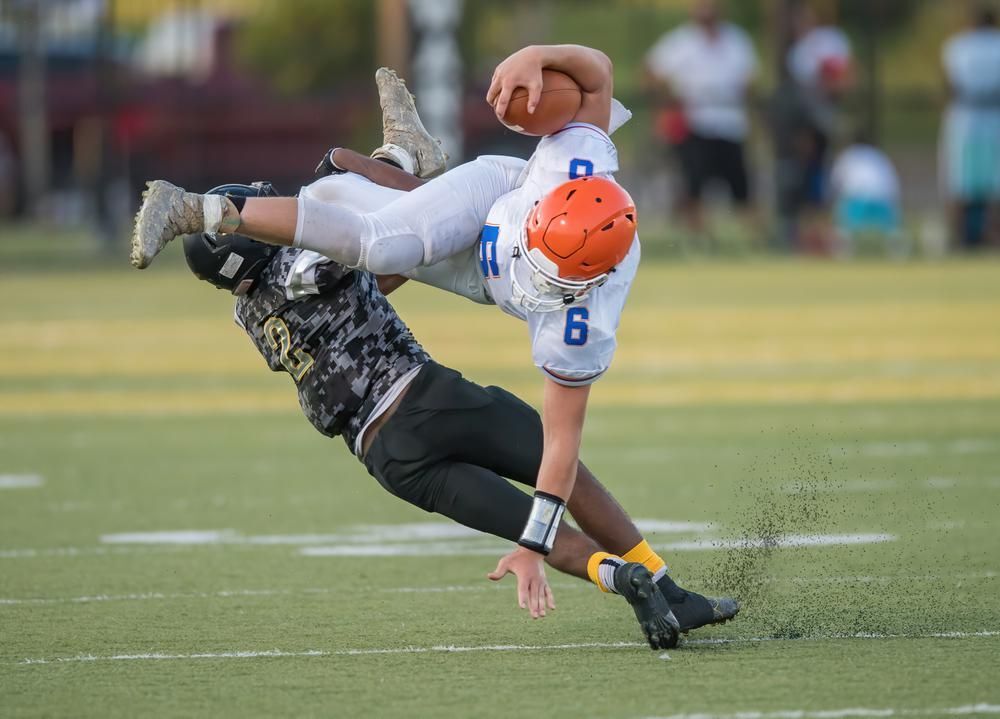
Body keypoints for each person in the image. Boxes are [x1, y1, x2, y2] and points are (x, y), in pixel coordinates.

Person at [134, 68, 739, 649]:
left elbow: (374, 274)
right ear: (247, 247)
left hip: (387, 458)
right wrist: (395, 173)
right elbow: (352, 229)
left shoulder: (250, 312)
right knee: (562, 473)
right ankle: (662, 581)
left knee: (527, 525)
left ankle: (619, 578)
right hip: (425, 399)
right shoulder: (297, 270)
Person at [644, 0, 757, 238]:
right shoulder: (682, 41)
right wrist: (669, 102)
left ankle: (751, 238)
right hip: (696, 121)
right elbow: (652, 71)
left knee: (740, 183)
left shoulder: (736, 40)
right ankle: (699, 238)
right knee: (694, 182)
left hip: (729, 121)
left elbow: (749, 79)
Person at [940, 5, 1000, 249]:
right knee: (994, 184)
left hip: (964, 118)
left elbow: (950, 85)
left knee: (959, 180)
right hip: (994, 116)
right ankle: (993, 236)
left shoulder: (957, 46)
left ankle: (959, 237)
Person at [830, 133, 904, 257]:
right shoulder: (879, 156)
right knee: (891, 229)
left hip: (857, 199)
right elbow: (892, 183)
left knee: (843, 225)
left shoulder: (848, 155)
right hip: (882, 199)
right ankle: (898, 254)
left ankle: (842, 254)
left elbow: (835, 182)